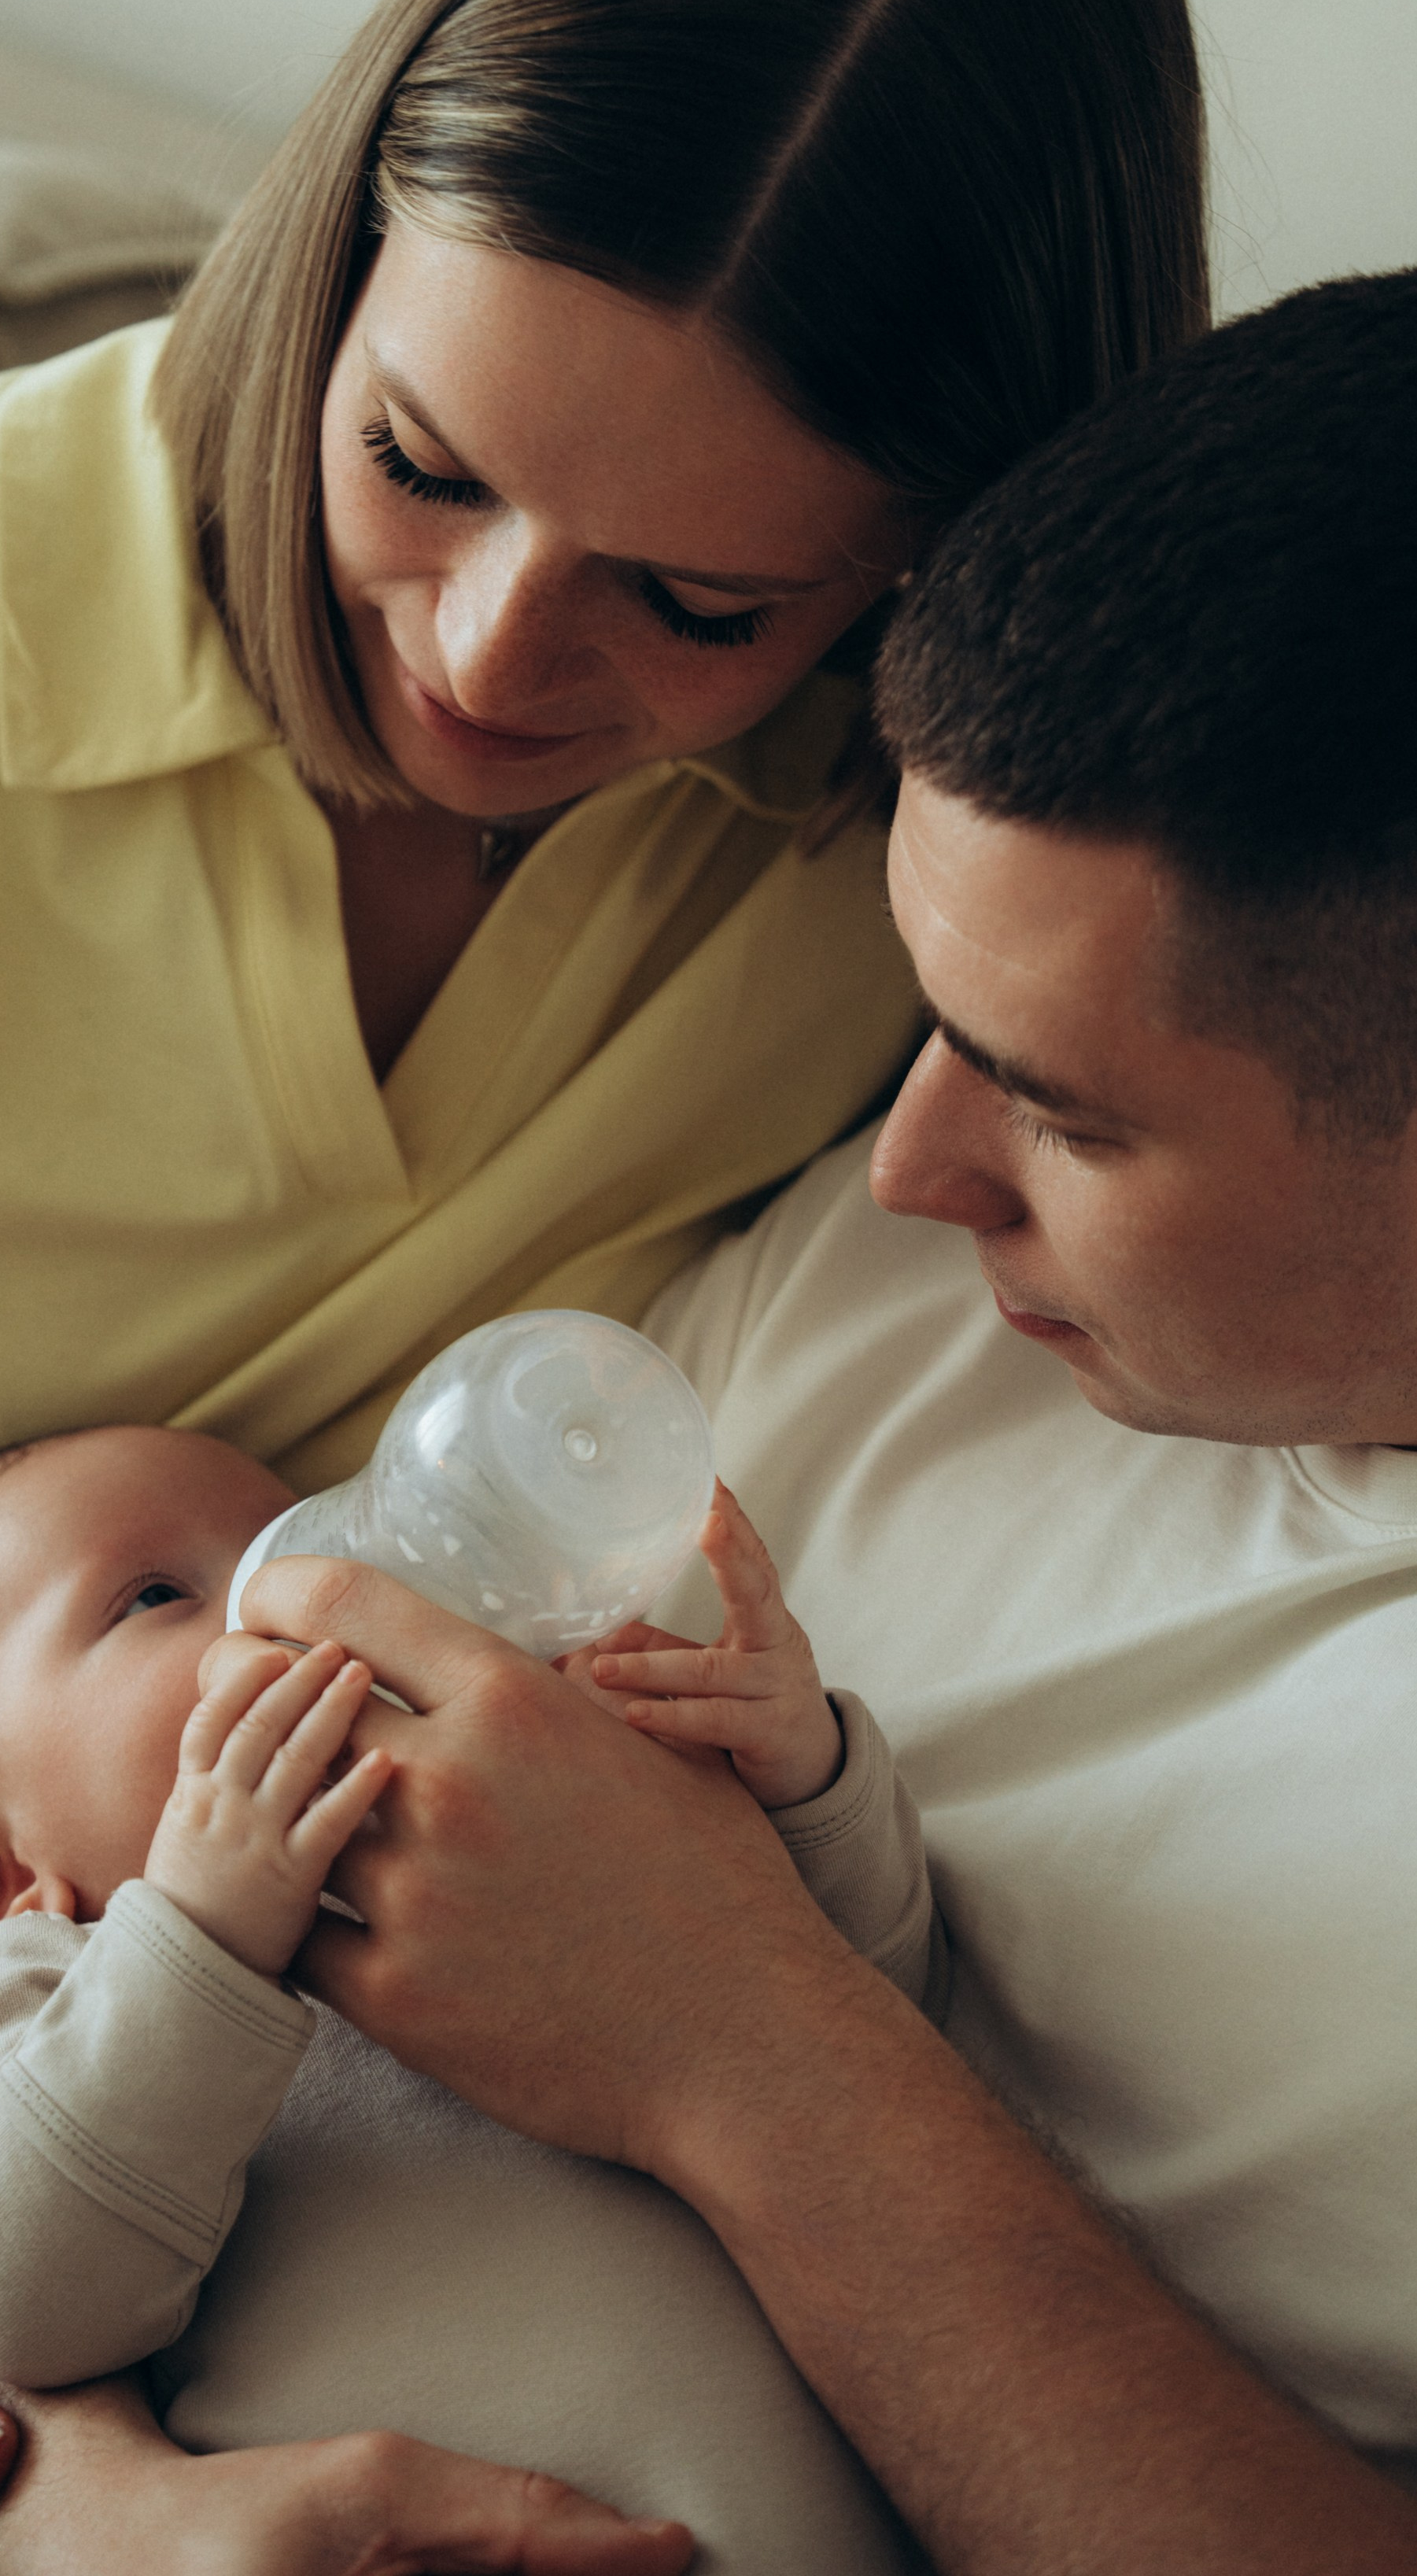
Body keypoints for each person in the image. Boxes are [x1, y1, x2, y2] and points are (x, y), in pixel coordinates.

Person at [0, 0, 1207, 2572]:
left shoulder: (900, 876)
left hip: (358, 2168)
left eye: (695, 601)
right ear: (330, 254)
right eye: (417, 463)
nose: (481, 651)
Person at [217, 271, 1417, 2576]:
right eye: (929, 1026)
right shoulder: (917, 1281)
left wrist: (735, 2049)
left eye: (1065, 1117)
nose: (908, 1169)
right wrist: (61, 2481)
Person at [0, 1422, 936, 2573]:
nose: (302, 1593)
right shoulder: (51, 1992)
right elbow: (18, 2306)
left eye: (296, 1536)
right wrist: (200, 1936)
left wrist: (797, 1777)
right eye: (154, 1596)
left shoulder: (554, 1837)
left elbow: (861, 2026)